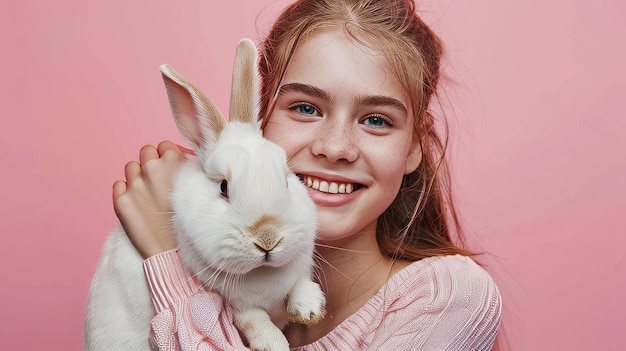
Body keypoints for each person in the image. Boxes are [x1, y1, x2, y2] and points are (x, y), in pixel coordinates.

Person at [113, 0, 502, 349]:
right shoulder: (223, 276)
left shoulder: (447, 297)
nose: (334, 148)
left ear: (414, 147)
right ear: (258, 124)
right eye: (305, 108)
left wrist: (166, 258)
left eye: (377, 119)